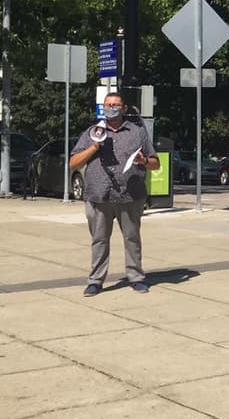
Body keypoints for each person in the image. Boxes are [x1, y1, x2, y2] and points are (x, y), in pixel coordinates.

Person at [68, 93, 160, 296]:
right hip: (99, 195)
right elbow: (73, 163)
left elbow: (156, 163)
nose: (112, 108)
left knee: (132, 238)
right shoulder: (92, 132)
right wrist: (94, 146)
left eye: (116, 105)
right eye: (108, 105)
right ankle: (95, 280)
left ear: (124, 108)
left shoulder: (137, 133)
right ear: (103, 108)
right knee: (99, 240)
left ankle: (136, 277)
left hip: (130, 195)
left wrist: (144, 161)